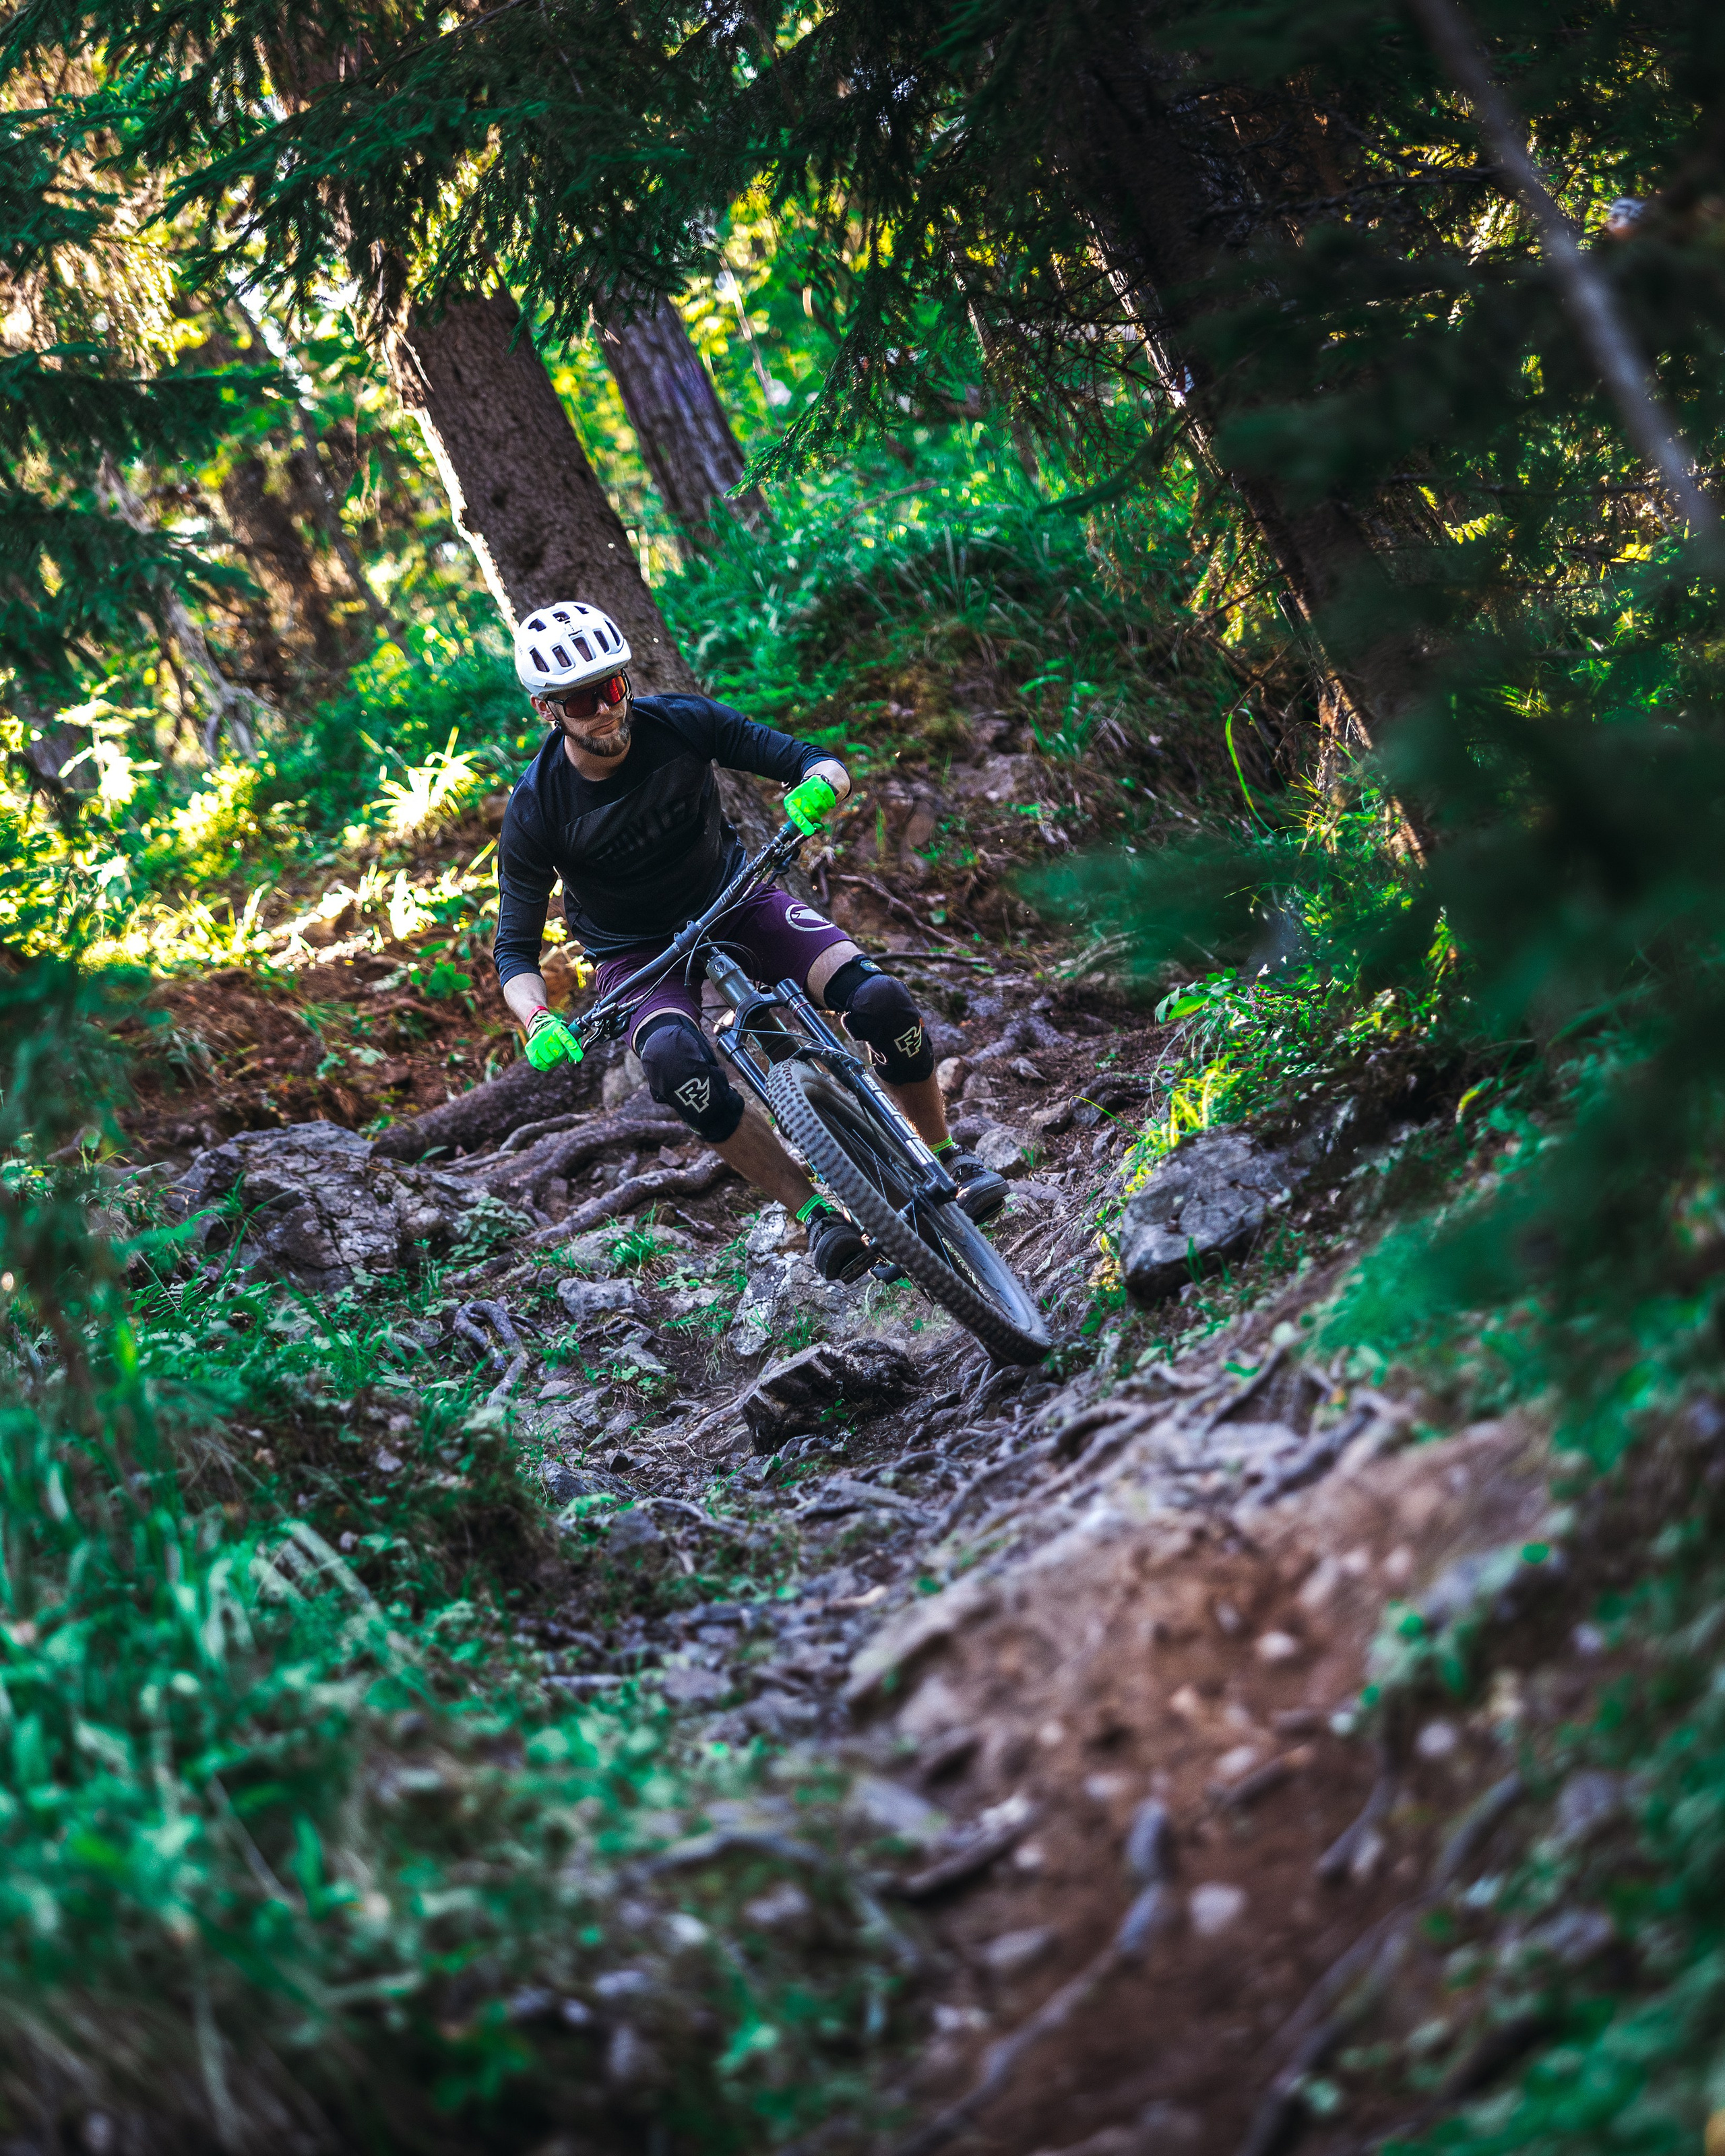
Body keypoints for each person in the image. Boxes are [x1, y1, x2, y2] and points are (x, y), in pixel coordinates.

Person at [492, 598, 1009, 1280]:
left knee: (880, 1000)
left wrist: (820, 786)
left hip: (738, 897)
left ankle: (944, 1153)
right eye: (582, 700)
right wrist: (536, 1018)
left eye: (613, 687)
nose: (605, 709)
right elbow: (513, 952)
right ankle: (815, 1215)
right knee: (676, 1063)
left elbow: (811, 761)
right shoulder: (536, 807)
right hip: (636, 955)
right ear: (548, 710)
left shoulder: (681, 722)